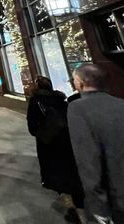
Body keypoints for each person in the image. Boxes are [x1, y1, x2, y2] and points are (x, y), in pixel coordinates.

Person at [68, 64, 124, 224]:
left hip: (121, 200)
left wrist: (98, 208)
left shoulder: (78, 108)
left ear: (80, 83)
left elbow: (89, 161)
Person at [27, 76, 84, 222]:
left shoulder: (35, 102)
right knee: (71, 172)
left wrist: (42, 132)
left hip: (48, 143)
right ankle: (80, 207)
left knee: (57, 175)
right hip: (66, 142)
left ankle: (70, 207)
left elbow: (32, 127)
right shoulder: (61, 100)